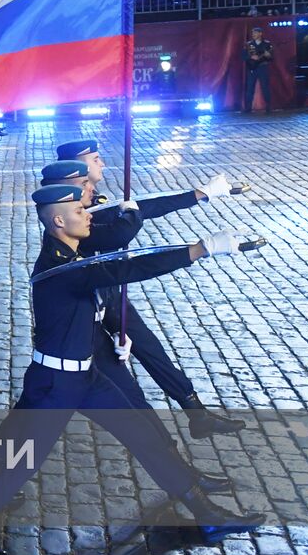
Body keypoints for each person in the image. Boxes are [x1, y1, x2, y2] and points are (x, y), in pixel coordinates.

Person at [0, 185, 263, 555]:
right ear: (58, 222)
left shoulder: (74, 255)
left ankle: (207, 515)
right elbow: (129, 266)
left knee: (144, 435)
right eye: (79, 212)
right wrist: (200, 249)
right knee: (23, 459)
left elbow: (108, 274)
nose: (88, 214)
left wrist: (111, 331)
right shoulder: (60, 267)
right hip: (56, 385)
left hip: (87, 377)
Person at [51, 139, 248, 437]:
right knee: (113, 394)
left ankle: (195, 414)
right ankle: (160, 438)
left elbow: (142, 209)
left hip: (106, 294)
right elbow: (120, 233)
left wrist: (200, 196)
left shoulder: (89, 203)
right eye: (95, 158)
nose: (102, 163)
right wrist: (198, 248)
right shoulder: (70, 213)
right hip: (85, 310)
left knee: (150, 347)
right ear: (76, 170)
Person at [242, 26, 273, 112]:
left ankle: (268, 107)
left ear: (260, 34)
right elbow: (243, 56)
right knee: (250, 88)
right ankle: (248, 108)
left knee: (265, 87)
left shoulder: (267, 44)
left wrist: (268, 55)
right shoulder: (248, 44)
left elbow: (271, 57)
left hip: (263, 67)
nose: (253, 34)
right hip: (252, 68)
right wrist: (251, 56)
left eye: (255, 33)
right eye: (252, 33)